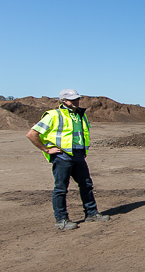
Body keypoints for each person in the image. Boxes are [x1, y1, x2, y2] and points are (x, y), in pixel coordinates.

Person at [26, 89, 110, 230]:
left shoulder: (80, 115)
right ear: (63, 101)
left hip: (78, 155)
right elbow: (31, 134)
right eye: (72, 99)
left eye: (77, 99)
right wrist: (47, 150)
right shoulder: (53, 115)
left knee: (86, 184)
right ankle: (61, 220)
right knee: (61, 188)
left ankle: (91, 213)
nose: (76, 101)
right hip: (62, 156)